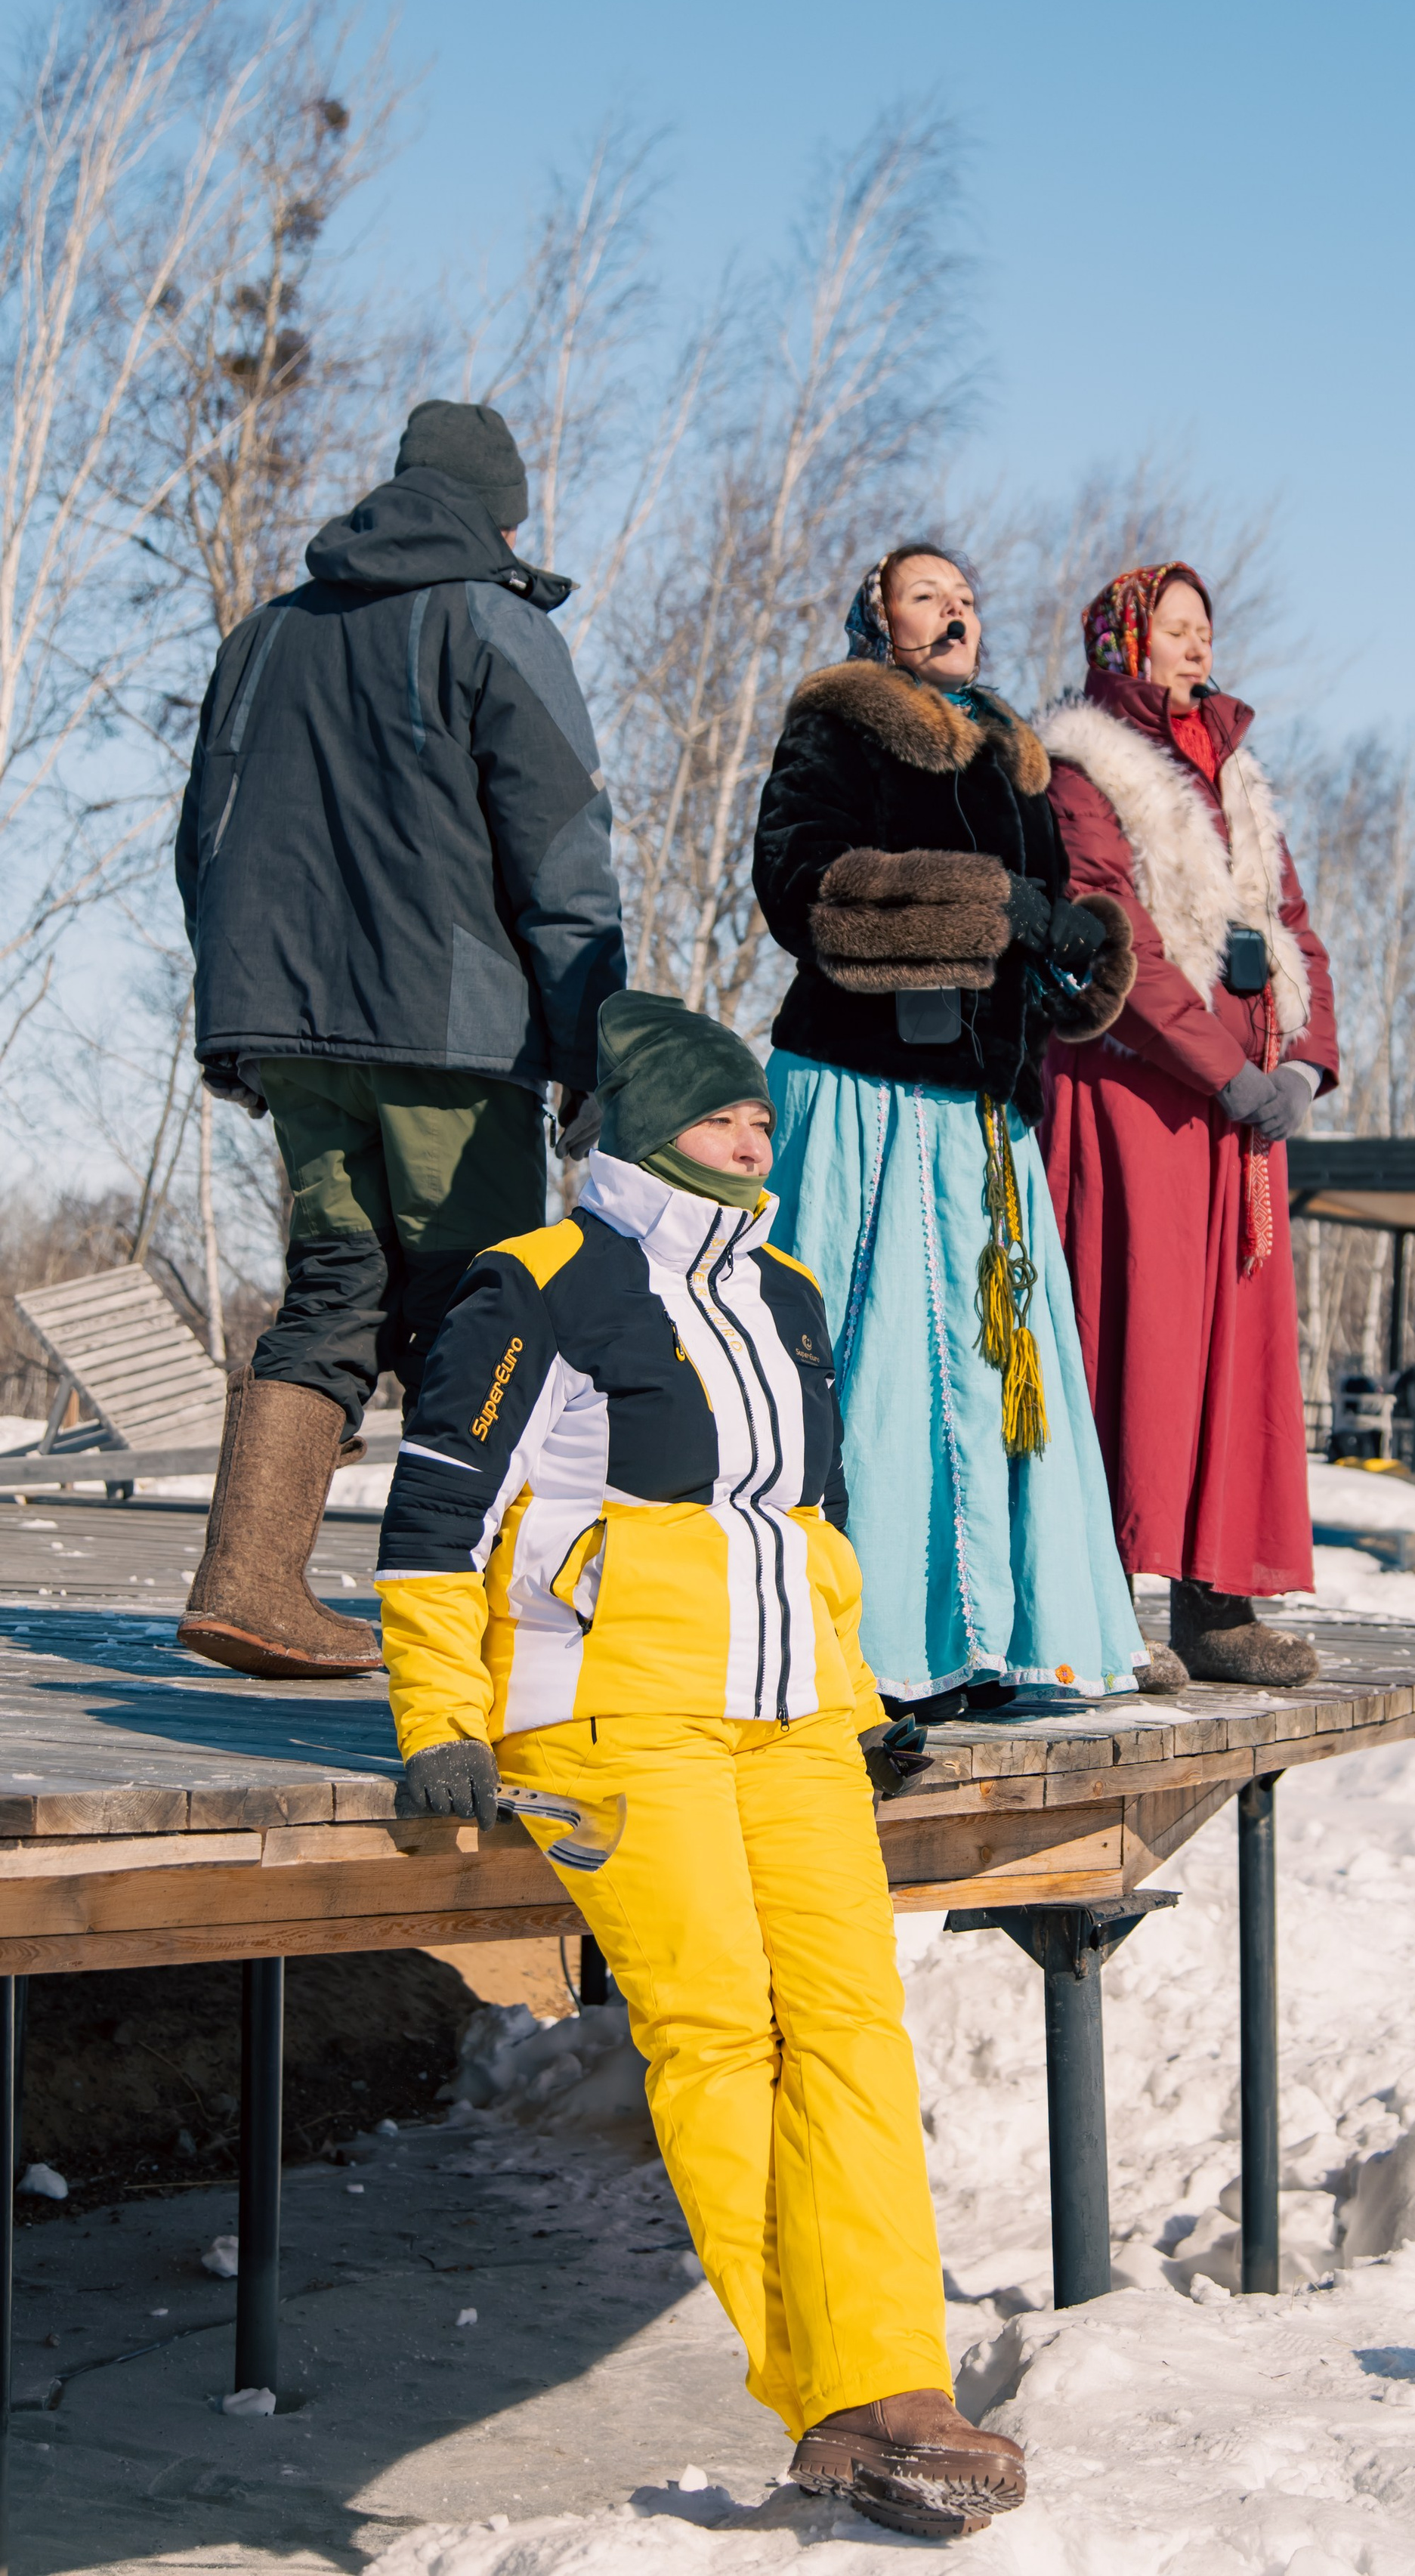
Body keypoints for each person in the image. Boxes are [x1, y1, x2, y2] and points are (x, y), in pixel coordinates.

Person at [374, 989, 1027, 2541]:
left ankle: (902, 2376)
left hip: (789, 1711)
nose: (756, 1136)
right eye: (726, 1116)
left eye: (757, 1116)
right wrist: (435, 1723)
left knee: (853, 2025)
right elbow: (436, 1516)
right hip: (608, 1711)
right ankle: (826, 2400)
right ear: (650, 1127)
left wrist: (856, 1695)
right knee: (716, 2032)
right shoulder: (535, 1284)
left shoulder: (784, 1290)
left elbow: (802, 1519)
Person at [174, 400, 625, 1681]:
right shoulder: (494, 620)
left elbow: (201, 834)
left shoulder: (266, 634)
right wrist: (591, 1039)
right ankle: (465, 1627)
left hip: (294, 1032)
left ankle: (249, 1580)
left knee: (334, 1288)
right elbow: (559, 848)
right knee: (476, 1306)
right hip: (452, 1034)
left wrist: (240, 1018)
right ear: (504, 515)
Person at [750, 544, 1149, 1708]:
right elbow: (802, 886)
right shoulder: (839, 723)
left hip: (983, 1111)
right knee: (873, 1361)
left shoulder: (1018, 755)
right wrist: (991, 908)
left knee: (992, 1367)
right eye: (927, 594)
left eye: (968, 596)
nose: (957, 610)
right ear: (876, 619)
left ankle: (989, 1637)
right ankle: (864, 1644)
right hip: (865, 1095)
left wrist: (1073, 952)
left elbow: (1041, 917)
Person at [1038, 563, 1338, 1685]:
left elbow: (1292, 923)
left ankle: (1217, 1606)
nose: (1195, 644)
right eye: (1171, 627)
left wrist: (1306, 1062)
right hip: (1141, 1096)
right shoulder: (1083, 771)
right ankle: (1104, 1606)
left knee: (1234, 1353)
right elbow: (1116, 927)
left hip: (1242, 1110)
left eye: (1203, 626)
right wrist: (1221, 1069)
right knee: (1139, 1338)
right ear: (1125, 642)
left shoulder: (1239, 775)